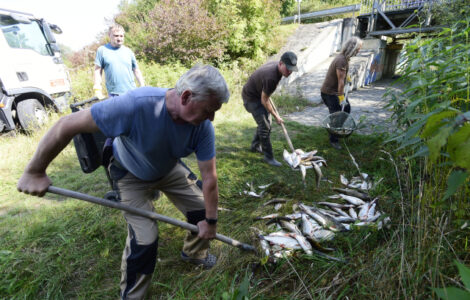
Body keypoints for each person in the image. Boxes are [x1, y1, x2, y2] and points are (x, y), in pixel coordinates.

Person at [17, 65, 230, 300]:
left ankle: (194, 253)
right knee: (145, 240)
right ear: (186, 96)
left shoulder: (203, 128)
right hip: (129, 172)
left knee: (203, 208)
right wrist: (35, 171)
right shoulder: (137, 104)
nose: (211, 118)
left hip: (168, 168)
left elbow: (210, 178)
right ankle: (132, 296)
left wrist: (210, 222)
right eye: (209, 110)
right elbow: (66, 124)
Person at [242, 51, 298, 167]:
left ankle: (255, 146)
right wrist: (276, 115)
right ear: (281, 63)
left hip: (256, 94)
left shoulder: (276, 67)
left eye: (292, 69)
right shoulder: (271, 77)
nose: (290, 72)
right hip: (251, 99)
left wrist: (265, 93)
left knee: (265, 123)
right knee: (265, 126)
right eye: (288, 69)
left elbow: (265, 94)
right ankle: (269, 157)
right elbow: (264, 100)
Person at [320, 36, 363, 150]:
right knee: (337, 115)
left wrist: (347, 77)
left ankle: (336, 129)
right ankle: (334, 139)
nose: (359, 51)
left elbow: (341, 77)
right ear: (352, 48)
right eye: (358, 48)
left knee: (346, 110)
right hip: (330, 93)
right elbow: (340, 82)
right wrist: (341, 98)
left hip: (331, 92)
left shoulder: (343, 58)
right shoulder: (342, 60)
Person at [93, 24, 145, 99]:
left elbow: (136, 70)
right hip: (114, 94)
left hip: (131, 92)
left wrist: (142, 86)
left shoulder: (128, 51)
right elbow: (97, 71)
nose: (119, 38)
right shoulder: (102, 50)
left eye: (121, 36)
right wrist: (97, 88)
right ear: (109, 35)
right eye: (116, 36)